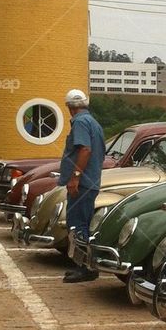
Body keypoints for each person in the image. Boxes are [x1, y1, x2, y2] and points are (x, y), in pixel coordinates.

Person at [58, 88, 106, 283]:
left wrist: (75, 177)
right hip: (90, 181)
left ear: (70, 107)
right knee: (82, 223)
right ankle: (83, 265)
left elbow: (85, 149)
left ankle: (84, 267)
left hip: (83, 183)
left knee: (77, 224)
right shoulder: (93, 122)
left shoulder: (80, 122)